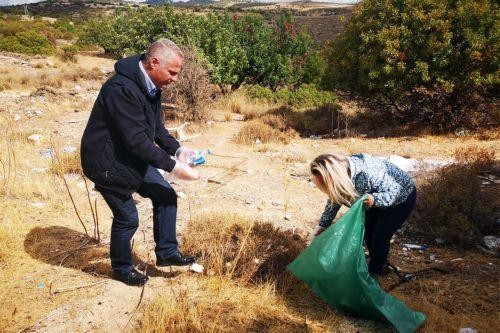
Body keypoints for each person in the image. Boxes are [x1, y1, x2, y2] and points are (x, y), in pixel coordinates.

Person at [81, 39, 200, 286]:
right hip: (105, 163)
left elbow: (156, 128)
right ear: (154, 63)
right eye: (173, 73)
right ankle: (122, 268)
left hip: (129, 157)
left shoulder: (152, 87)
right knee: (128, 218)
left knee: (166, 195)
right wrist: (175, 168)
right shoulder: (121, 89)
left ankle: (167, 253)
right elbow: (136, 141)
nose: (175, 79)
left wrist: (179, 151)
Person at [309, 153, 416, 277]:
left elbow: (395, 193)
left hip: (401, 197)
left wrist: (375, 200)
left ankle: (374, 272)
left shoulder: (365, 173)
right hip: (372, 198)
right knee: (368, 232)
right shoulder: (343, 174)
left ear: (334, 176)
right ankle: (378, 262)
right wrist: (322, 225)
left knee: (380, 236)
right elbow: (335, 198)